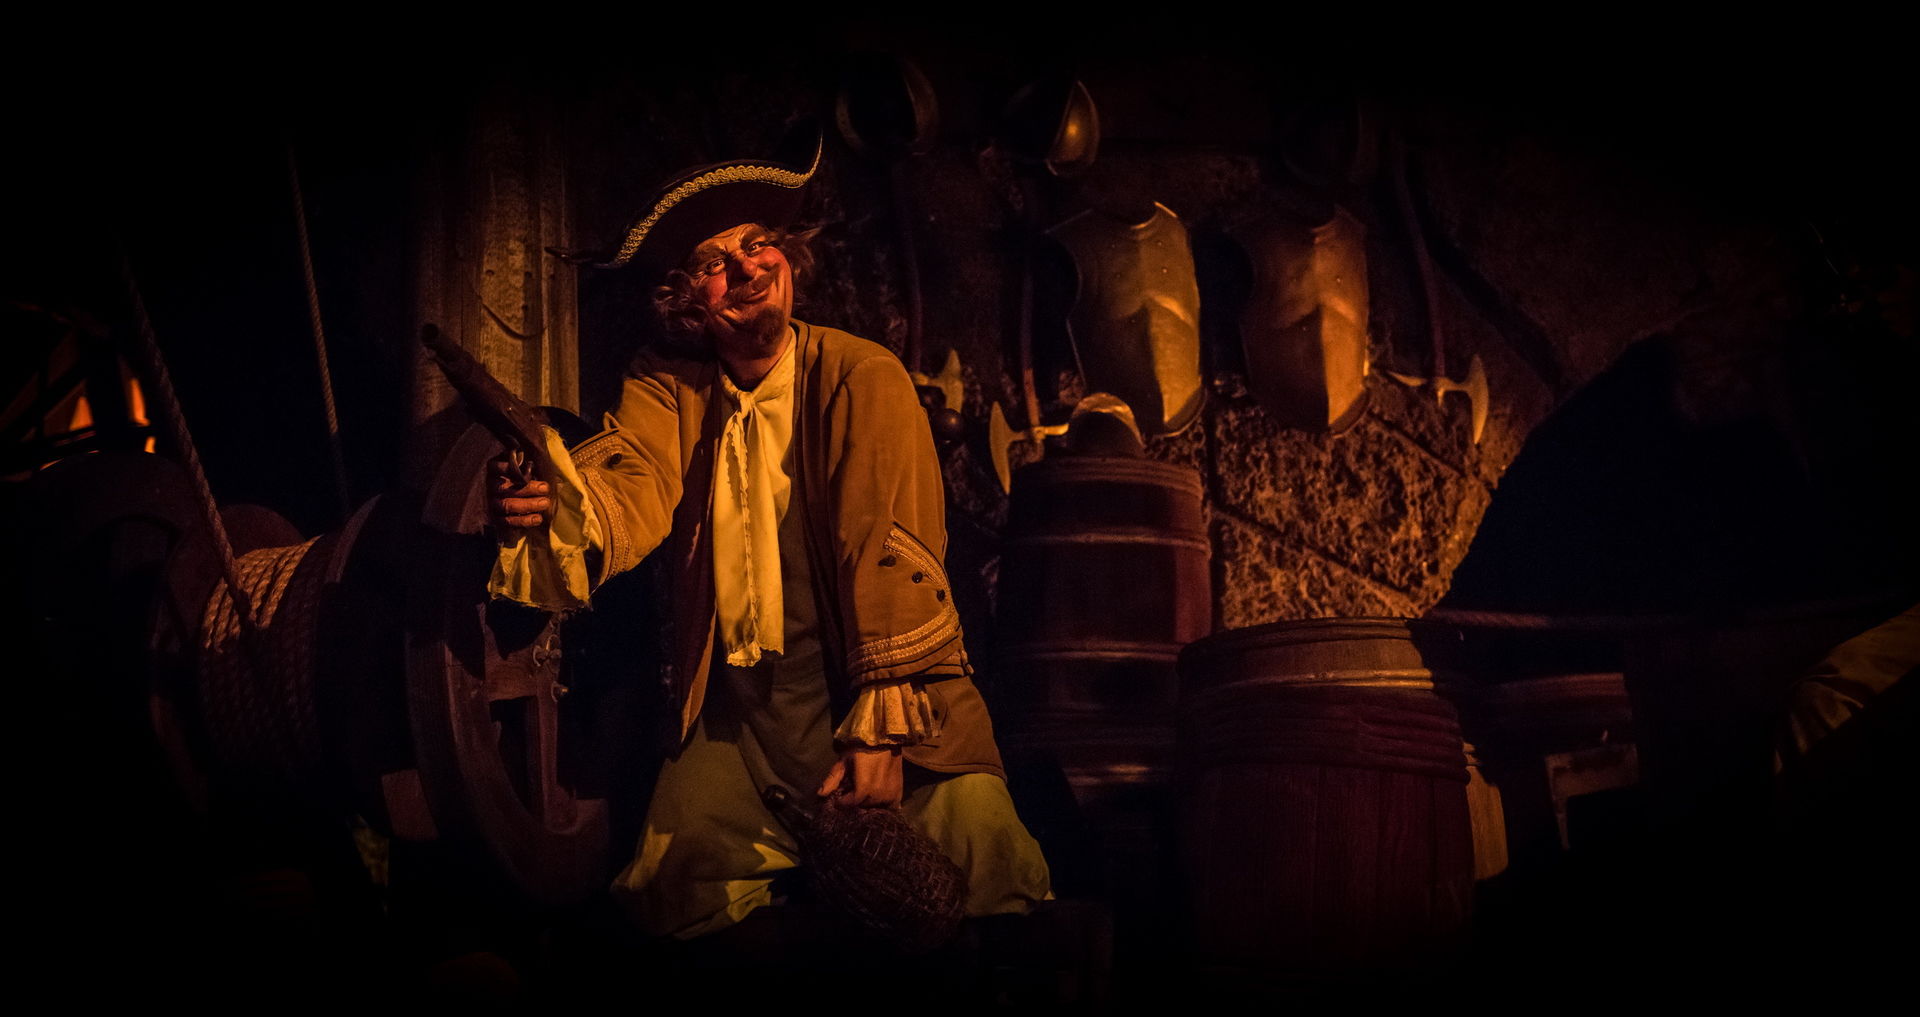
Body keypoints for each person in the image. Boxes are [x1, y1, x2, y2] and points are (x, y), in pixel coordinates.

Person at [486, 133, 1050, 940]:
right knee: (668, 894)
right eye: (716, 263)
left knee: (991, 878)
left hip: (883, 702)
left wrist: (882, 727)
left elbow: (887, 550)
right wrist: (557, 501)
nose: (748, 267)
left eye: (758, 244)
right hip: (742, 725)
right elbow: (632, 480)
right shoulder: (668, 389)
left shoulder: (862, 375)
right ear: (687, 299)